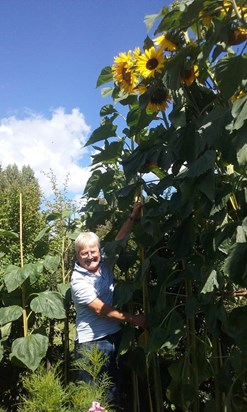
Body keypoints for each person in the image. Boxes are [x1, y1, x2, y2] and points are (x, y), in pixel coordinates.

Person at [70, 202, 147, 408]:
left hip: (114, 337)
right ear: (77, 256)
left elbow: (119, 241)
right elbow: (100, 309)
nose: (90, 256)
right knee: (93, 399)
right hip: (92, 343)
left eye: (93, 251)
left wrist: (132, 216)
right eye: (84, 253)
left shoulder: (104, 261)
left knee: (112, 392)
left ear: (99, 251)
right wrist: (135, 319)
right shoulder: (78, 281)